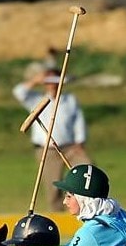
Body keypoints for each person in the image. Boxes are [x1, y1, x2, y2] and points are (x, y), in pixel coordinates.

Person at [13, 68, 90, 212]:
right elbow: (19, 92)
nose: (52, 85)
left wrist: (80, 140)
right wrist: (35, 80)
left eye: (55, 81)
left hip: (70, 147)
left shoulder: (69, 100)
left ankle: (84, 207)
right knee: (53, 185)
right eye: (49, 82)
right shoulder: (36, 99)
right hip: (46, 150)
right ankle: (58, 214)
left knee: (87, 172)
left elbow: (78, 120)